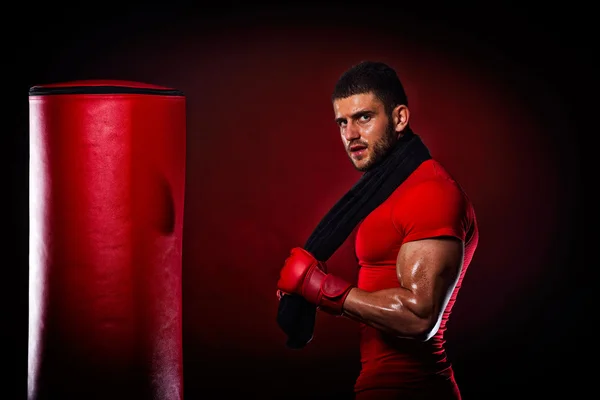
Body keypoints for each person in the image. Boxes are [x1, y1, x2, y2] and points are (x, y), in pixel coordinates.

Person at [276, 61, 479, 399]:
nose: (350, 134)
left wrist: (320, 288)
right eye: (342, 122)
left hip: (415, 388)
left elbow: (419, 317)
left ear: (399, 118)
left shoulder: (430, 192)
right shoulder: (384, 192)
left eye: (364, 118)